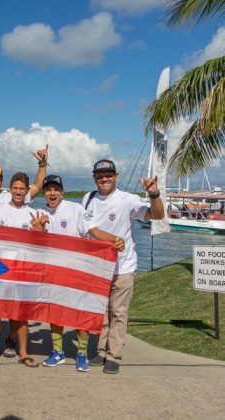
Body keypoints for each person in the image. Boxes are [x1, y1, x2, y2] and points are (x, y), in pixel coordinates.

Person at [82, 159, 163, 374]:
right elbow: (92, 230)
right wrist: (113, 239)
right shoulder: (88, 199)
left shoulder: (128, 200)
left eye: (109, 174)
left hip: (123, 267)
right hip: (98, 268)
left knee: (118, 313)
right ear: (94, 178)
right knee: (101, 313)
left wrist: (154, 195)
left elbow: (157, 215)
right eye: (100, 175)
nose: (104, 178)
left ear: (116, 176)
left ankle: (114, 356)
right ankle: (100, 351)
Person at [0, 146, 48, 355]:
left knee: (18, 307)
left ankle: (12, 340)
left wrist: (40, 230)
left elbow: (37, 184)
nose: (18, 192)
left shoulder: (32, 211)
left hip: (22, 268)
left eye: (21, 189)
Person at [36, 175, 93, 372]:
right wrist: (39, 229)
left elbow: (91, 233)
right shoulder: (39, 213)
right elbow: (37, 245)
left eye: (56, 189)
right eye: (48, 189)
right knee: (55, 313)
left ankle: (82, 354)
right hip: (53, 271)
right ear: (44, 193)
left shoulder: (76, 209)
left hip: (77, 270)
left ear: (62, 191)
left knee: (80, 313)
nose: (52, 193)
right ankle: (58, 352)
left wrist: (112, 242)